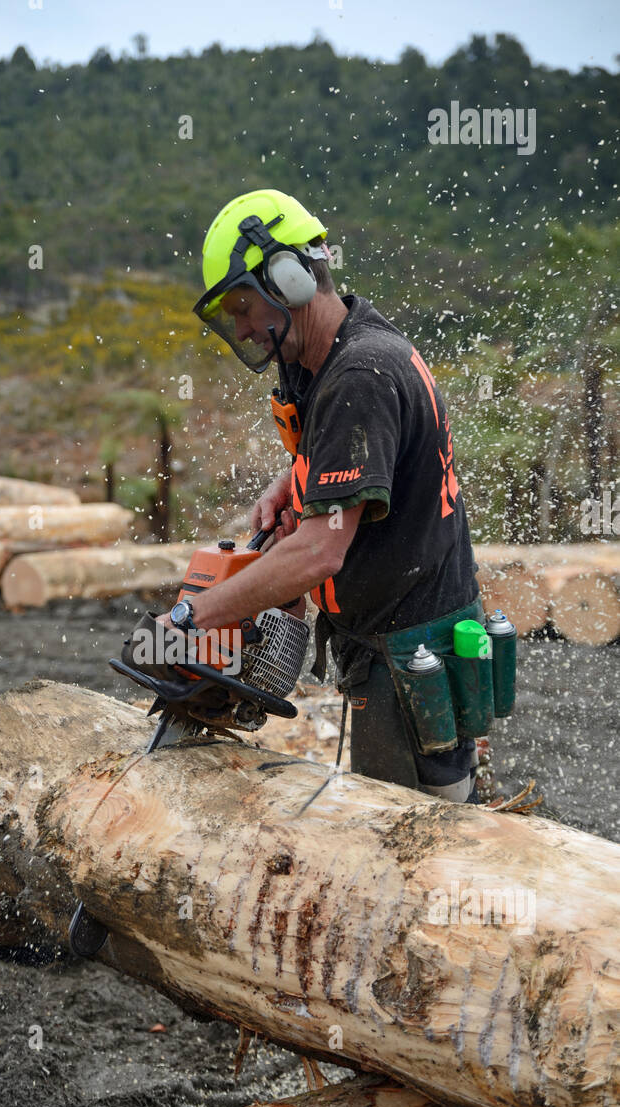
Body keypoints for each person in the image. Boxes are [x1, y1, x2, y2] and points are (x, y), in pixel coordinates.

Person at [163, 187, 485, 802]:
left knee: (408, 843)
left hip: (411, 654)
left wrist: (191, 617)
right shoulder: (325, 353)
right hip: (391, 635)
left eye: (243, 307)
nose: (241, 328)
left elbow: (317, 554)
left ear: (289, 279)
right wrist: (294, 479)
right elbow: (351, 448)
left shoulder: (360, 376)